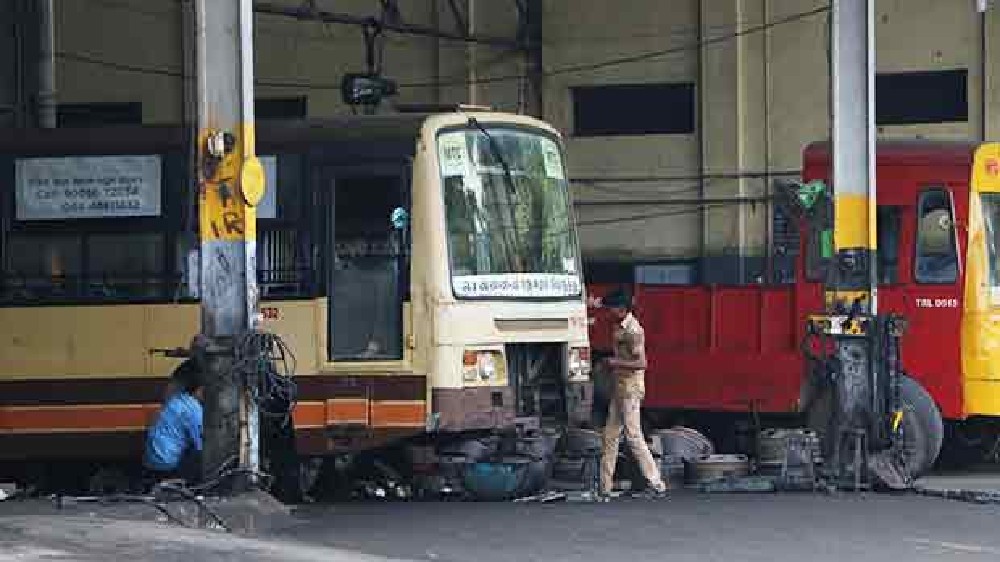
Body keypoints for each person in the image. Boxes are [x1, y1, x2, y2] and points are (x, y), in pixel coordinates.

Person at [599, 287, 668, 497]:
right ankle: (605, 487)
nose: (608, 312)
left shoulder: (633, 330)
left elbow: (641, 363)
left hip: (630, 390)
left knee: (633, 436)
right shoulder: (618, 327)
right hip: (619, 388)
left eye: (611, 308)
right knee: (609, 436)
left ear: (621, 308)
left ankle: (656, 483)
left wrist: (614, 362)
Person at [143, 360, 205, 484]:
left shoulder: (175, 401)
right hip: (168, 465)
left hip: (152, 462)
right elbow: (200, 443)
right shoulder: (193, 407)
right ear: (200, 389)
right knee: (201, 455)